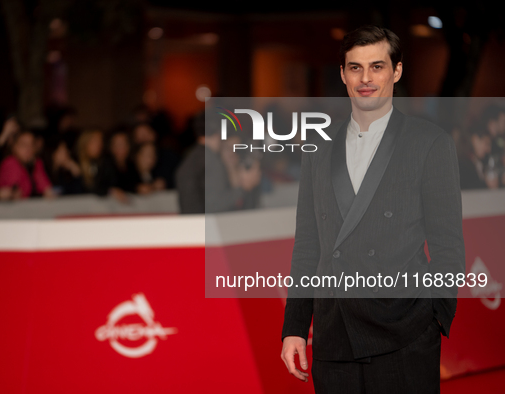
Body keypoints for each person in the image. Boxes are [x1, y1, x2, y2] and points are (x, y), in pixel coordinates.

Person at [280, 25, 465, 394]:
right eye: (355, 68)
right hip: (335, 336)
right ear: (343, 75)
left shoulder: (429, 143)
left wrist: (433, 318)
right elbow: (308, 247)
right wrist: (295, 328)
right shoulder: (318, 148)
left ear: (396, 71)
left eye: (377, 66)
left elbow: (448, 247)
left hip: (404, 336)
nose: (366, 79)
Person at [175, 111, 261, 214]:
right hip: (207, 225)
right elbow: (214, 205)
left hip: (193, 224)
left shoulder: (193, 157)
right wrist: (244, 188)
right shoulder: (210, 160)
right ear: (219, 131)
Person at [0, 130, 55, 200]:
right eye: (24, 145)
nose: (28, 149)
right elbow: (14, 194)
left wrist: (35, 167)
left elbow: (48, 190)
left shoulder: (35, 163)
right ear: (14, 146)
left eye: (31, 145)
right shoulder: (10, 162)